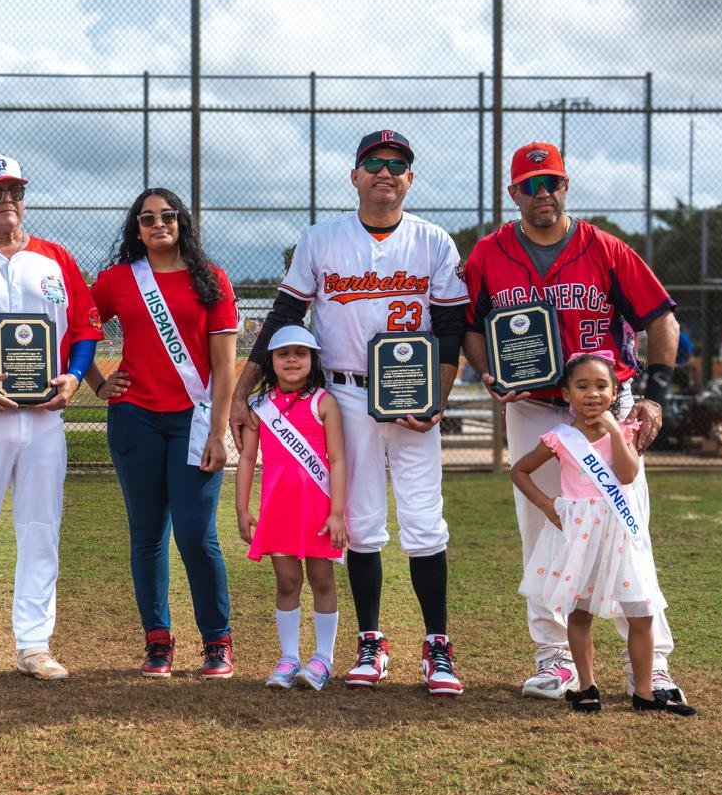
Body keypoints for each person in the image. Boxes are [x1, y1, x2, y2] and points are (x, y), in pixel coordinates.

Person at [231, 129, 468, 698]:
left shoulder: (434, 241)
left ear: (410, 178)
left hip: (412, 398)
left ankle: (437, 645)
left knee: (423, 521)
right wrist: (243, 391)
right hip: (345, 394)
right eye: (374, 163)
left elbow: (452, 327)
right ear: (355, 174)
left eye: (398, 164)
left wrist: (438, 396)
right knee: (361, 524)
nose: (385, 172)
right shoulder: (321, 239)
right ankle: (371, 640)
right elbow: (285, 315)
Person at [463, 140, 688, 706]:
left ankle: (654, 666)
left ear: (566, 187)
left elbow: (661, 317)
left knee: (629, 530)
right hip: (534, 404)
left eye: (553, 182)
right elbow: (467, 324)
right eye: (530, 185)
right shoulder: (488, 255)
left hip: (607, 406)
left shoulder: (605, 248)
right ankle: (555, 659)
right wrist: (488, 372)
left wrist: (655, 397)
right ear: (513, 193)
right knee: (544, 531)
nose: (543, 193)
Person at [0, 154, 103, 687]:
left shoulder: (56, 258)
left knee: (40, 528)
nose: (8, 201)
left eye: (16, 191)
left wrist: (75, 376)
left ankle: (34, 642)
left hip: (45, 417)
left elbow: (85, 326)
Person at [87, 188, 238, 679]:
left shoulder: (211, 280)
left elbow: (224, 363)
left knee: (197, 535)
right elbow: (78, 330)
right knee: (148, 534)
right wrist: (98, 384)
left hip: (195, 423)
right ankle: (158, 641)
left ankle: (217, 642)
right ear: (137, 229)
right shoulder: (116, 280)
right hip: (136, 418)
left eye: (168, 216)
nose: (159, 224)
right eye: (147, 218)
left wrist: (219, 432)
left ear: (182, 223)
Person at [511, 353, 696, 717]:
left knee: (641, 610)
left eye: (601, 386)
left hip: (620, 531)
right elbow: (519, 471)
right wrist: (548, 505)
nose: (592, 394)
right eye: (582, 386)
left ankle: (644, 690)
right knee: (580, 612)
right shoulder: (559, 438)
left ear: (614, 393)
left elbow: (626, 476)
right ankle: (587, 685)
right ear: (566, 394)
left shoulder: (625, 433)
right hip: (581, 534)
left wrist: (613, 428)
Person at [234, 325, 348, 691]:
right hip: (278, 511)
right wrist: (242, 508)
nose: (292, 360)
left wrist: (337, 513)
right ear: (271, 361)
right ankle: (288, 657)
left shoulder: (324, 403)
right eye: (284, 354)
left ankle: (323, 659)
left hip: (318, 511)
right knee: (286, 582)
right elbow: (248, 459)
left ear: (313, 359)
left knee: (321, 579)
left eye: (301, 353)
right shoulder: (260, 408)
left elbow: (339, 460)